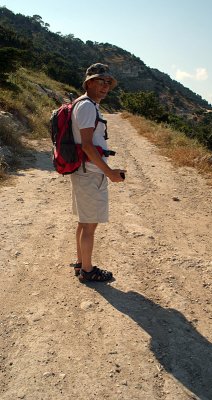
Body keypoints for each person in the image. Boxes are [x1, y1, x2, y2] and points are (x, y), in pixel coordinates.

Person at [70, 63, 125, 283]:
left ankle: (81, 263)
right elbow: (86, 145)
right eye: (100, 81)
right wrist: (110, 172)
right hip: (90, 173)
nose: (105, 86)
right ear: (89, 82)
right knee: (90, 225)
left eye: (108, 83)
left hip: (86, 171)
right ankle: (88, 270)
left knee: (84, 222)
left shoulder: (87, 105)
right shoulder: (86, 107)